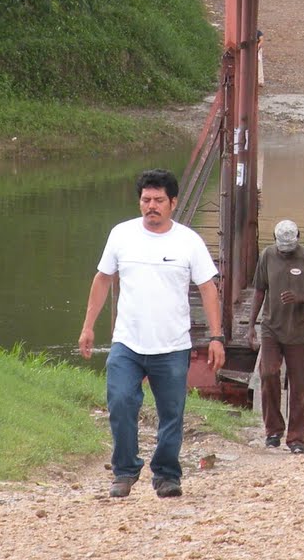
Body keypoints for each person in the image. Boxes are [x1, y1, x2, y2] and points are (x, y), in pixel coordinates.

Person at [80, 168, 222, 500]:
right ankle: (125, 470)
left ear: (173, 202)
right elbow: (103, 279)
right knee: (120, 402)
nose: (151, 206)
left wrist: (216, 337)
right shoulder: (121, 235)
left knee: (172, 412)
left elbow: (208, 289)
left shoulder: (188, 241)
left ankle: (167, 475)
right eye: (146, 200)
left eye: (159, 200)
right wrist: (88, 326)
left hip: (172, 345)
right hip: (127, 342)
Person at [249, 219, 304, 454]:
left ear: (298, 238)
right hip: (271, 328)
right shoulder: (267, 256)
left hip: (299, 330)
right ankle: (273, 430)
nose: (285, 253)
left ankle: (297, 439)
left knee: (300, 385)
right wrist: (251, 325)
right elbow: (259, 290)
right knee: (269, 373)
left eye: (289, 249)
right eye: (282, 249)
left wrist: (300, 298)